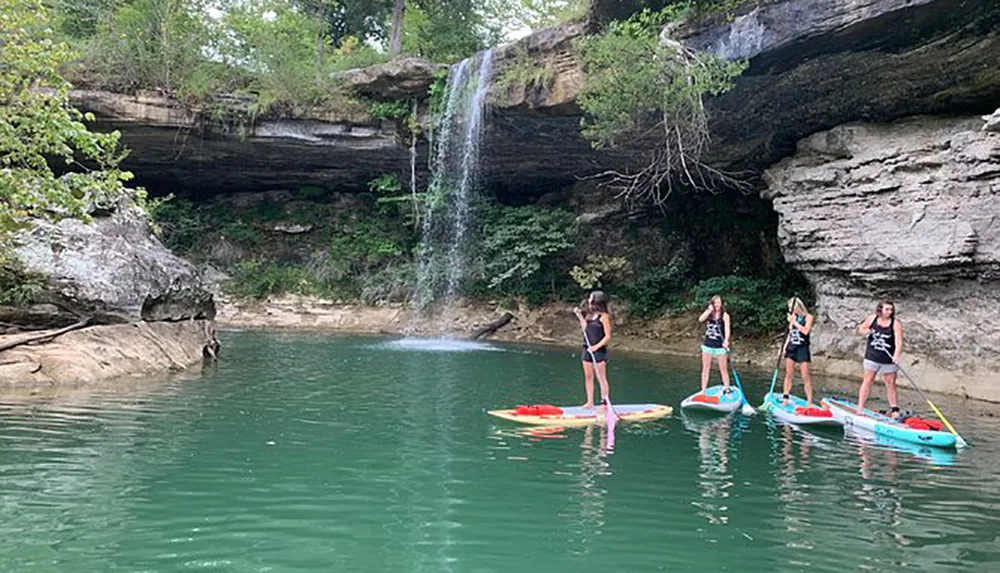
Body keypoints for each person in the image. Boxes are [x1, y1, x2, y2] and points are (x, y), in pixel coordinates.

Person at [855, 299, 904, 417]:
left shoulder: (895, 323)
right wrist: (865, 331)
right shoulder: (872, 318)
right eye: (887, 309)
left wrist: (896, 355)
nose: (889, 312)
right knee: (868, 380)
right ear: (880, 309)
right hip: (872, 356)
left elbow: (899, 342)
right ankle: (860, 407)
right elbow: (860, 329)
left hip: (888, 358)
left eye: (891, 309)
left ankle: (894, 409)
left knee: (890, 383)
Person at [574, 291, 612, 409]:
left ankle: (604, 404)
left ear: (596, 301)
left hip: (598, 351)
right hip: (587, 348)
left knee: (601, 377)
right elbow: (585, 328)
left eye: (591, 298)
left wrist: (596, 347)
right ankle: (590, 402)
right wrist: (579, 316)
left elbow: (608, 337)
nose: (588, 299)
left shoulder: (604, 317)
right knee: (588, 376)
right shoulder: (590, 315)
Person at [782, 297, 814, 407]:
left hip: (802, 348)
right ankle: (785, 397)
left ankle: (809, 401)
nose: (790, 310)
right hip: (791, 347)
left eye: (791, 308)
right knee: (788, 373)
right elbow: (790, 334)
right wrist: (784, 347)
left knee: (805, 375)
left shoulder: (808, 317)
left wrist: (794, 322)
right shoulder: (793, 318)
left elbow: (805, 331)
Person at [698, 295, 731, 393]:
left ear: (721, 304)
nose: (717, 304)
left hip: (720, 346)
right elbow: (700, 319)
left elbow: (727, 329)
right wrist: (709, 310)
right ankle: (703, 390)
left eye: (719, 302)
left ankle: (727, 388)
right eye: (715, 302)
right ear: (712, 303)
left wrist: (726, 340)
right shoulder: (709, 313)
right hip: (708, 345)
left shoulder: (725, 315)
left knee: (723, 369)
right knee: (705, 368)